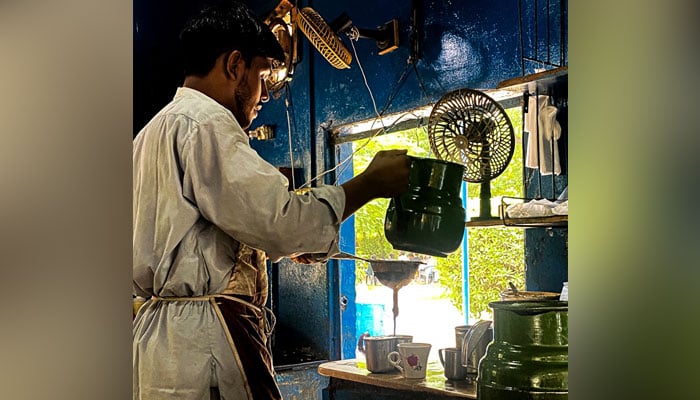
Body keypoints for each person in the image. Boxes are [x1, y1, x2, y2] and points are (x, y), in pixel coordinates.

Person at [132, 2, 410, 400]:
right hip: (206, 343)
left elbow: (199, 233)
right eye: (263, 76)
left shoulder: (152, 132)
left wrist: (266, 247)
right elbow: (282, 223)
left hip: (162, 343)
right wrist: (369, 183)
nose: (265, 94)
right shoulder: (207, 124)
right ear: (234, 66)